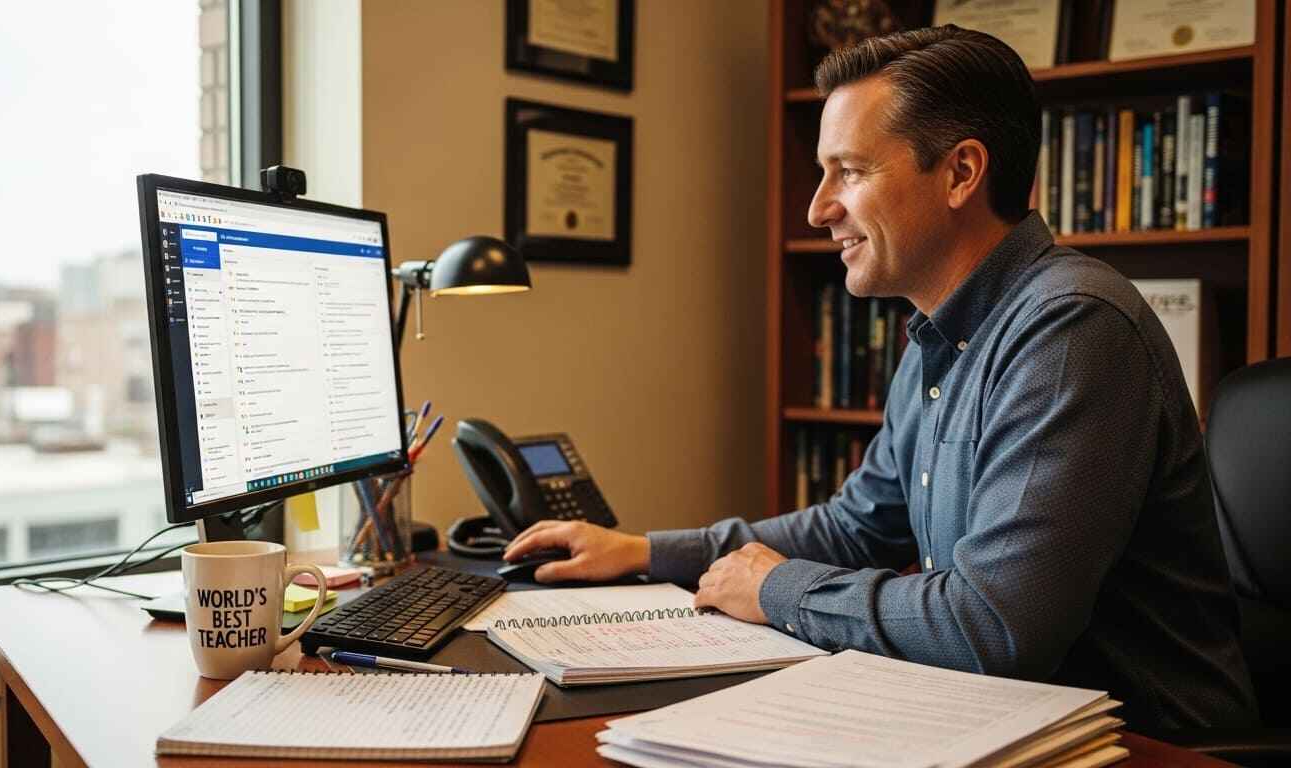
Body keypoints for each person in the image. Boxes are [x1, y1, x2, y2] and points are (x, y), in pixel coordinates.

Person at [503, 25, 1257, 731]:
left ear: (961, 171)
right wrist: (643, 550)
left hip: (1145, 745)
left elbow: (993, 628)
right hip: (996, 722)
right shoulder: (941, 327)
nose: (818, 207)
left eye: (851, 172)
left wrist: (774, 589)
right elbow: (856, 527)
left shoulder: (1072, 330)